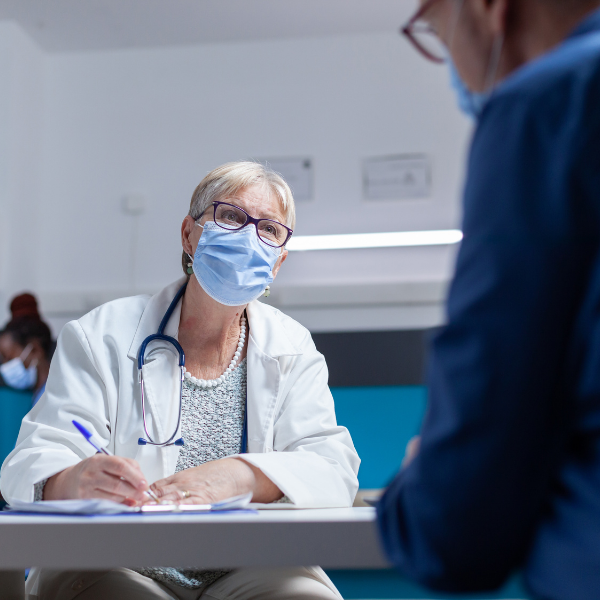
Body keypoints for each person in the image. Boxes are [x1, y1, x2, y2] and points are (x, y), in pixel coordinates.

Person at [1, 162, 359, 600]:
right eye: (230, 216)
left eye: (269, 229)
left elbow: (333, 468)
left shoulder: (291, 347)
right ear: (189, 235)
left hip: (248, 565)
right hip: (118, 560)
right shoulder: (103, 334)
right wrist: (73, 481)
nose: (249, 238)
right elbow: (31, 462)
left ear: (279, 262)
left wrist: (240, 475)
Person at [376, 1, 600, 599]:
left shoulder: (549, 105)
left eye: (435, 29)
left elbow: (452, 531)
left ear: (487, 9)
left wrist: (419, 484)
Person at [0, 293, 54, 407]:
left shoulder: (55, 397)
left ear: (35, 350)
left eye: (9, 358)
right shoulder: (39, 396)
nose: (4, 367)